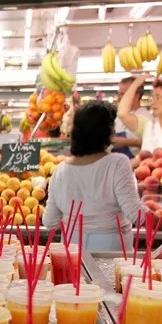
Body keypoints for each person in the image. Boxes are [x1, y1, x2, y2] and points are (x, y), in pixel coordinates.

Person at [42, 102, 142, 251]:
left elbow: (50, 222)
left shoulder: (60, 170)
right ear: (106, 131)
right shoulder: (117, 163)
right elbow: (136, 214)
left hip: (72, 249)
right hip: (111, 248)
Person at [111, 76, 148, 157]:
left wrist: (127, 142)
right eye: (119, 94)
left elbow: (152, 144)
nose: (119, 97)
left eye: (123, 94)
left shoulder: (146, 118)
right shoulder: (118, 118)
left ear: (136, 96)